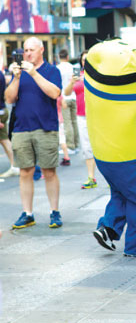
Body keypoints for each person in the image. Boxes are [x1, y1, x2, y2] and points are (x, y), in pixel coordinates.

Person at [85, 38, 136, 257]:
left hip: (103, 155)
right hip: (133, 155)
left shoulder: (92, 83)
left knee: (121, 192)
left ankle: (108, 228)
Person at [5, 36, 63, 229]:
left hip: (46, 127)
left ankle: (54, 212)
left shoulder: (52, 71)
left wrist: (35, 74)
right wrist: (17, 78)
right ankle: (27, 213)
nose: (27, 53)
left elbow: (55, 93)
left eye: (31, 50)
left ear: (41, 50)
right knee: (25, 172)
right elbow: (9, 98)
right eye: (25, 51)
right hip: (22, 128)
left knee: (49, 171)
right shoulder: (19, 72)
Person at [64, 50, 97, 189]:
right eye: (83, 60)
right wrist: (72, 82)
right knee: (87, 147)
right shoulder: (79, 76)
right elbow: (66, 93)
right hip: (82, 116)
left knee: (102, 147)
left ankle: (111, 179)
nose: (85, 62)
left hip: (98, 115)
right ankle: (91, 177)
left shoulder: (98, 75)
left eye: (88, 59)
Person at [57, 49, 79, 152]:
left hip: (63, 98)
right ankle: (76, 143)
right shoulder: (74, 67)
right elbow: (78, 82)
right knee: (74, 121)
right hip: (74, 96)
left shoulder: (57, 69)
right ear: (67, 56)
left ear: (59, 56)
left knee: (67, 122)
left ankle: (70, 145)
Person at [0, 67, 20, 179]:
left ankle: (15, 165)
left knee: (4, 139)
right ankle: (15, 165)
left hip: (1, 111)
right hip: (2, 110)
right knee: (4, 140)